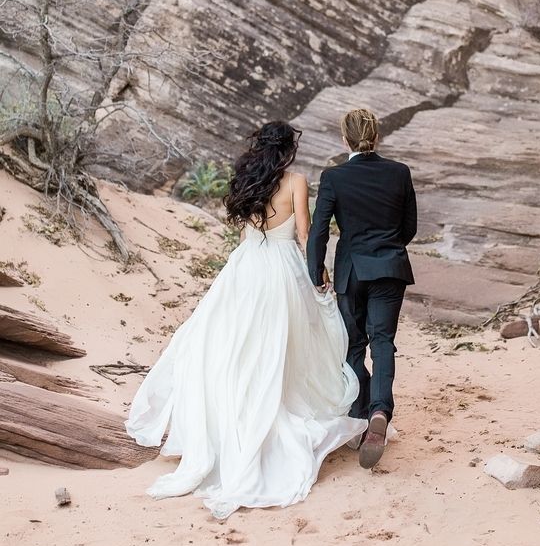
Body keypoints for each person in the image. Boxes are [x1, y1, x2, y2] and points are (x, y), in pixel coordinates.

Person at [125, 121, 367, 519]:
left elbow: (245, 235)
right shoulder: (296, 181)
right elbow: (305, 234)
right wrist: (319, 274)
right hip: (282, 270)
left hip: (247, 265)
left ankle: (232, 423)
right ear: (289, 149)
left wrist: (234, 269)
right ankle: (267, 419)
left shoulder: (247, 178)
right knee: (282, 345)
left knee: (234, 346)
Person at [307, 108, 417, 469]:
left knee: (353, 345)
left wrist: (315, 271)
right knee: (383, 341)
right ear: (377, 136)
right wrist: (386, 249)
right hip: (389, 268)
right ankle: (381, 410)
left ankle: (360, 414)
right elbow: (409, 227)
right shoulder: (399, 173)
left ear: (344, 139)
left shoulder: (334, 177)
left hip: (351, 271)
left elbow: (319, 229)